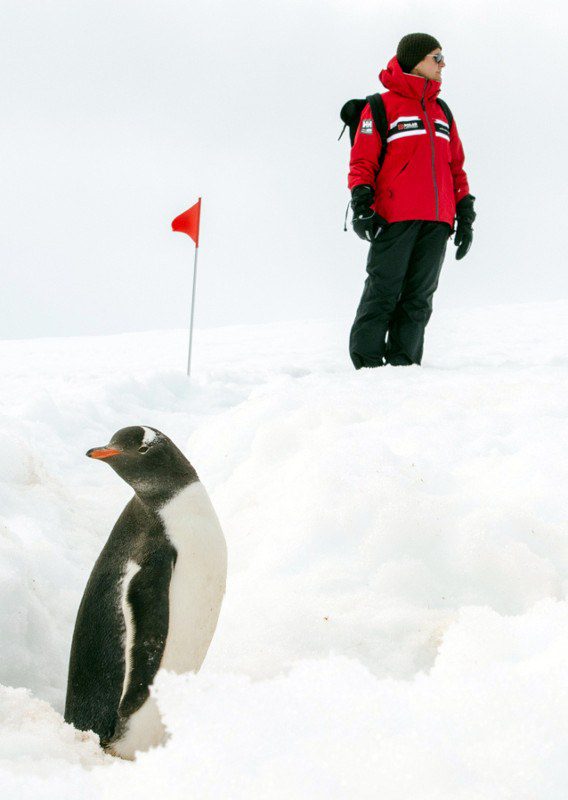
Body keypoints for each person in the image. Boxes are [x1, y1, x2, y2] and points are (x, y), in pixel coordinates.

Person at [348, 33, 475, 368]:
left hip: (438, 220)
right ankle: (367, 367)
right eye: (437, 57)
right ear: (416, 60)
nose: (443, 63)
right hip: (395, 216)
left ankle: (405, 368)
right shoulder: (380, 106)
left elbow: (455, 166)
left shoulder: (441, 111)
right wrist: (362, 204)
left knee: (419, 298)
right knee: (384, 292)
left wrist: (465, 212)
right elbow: (362, 161)